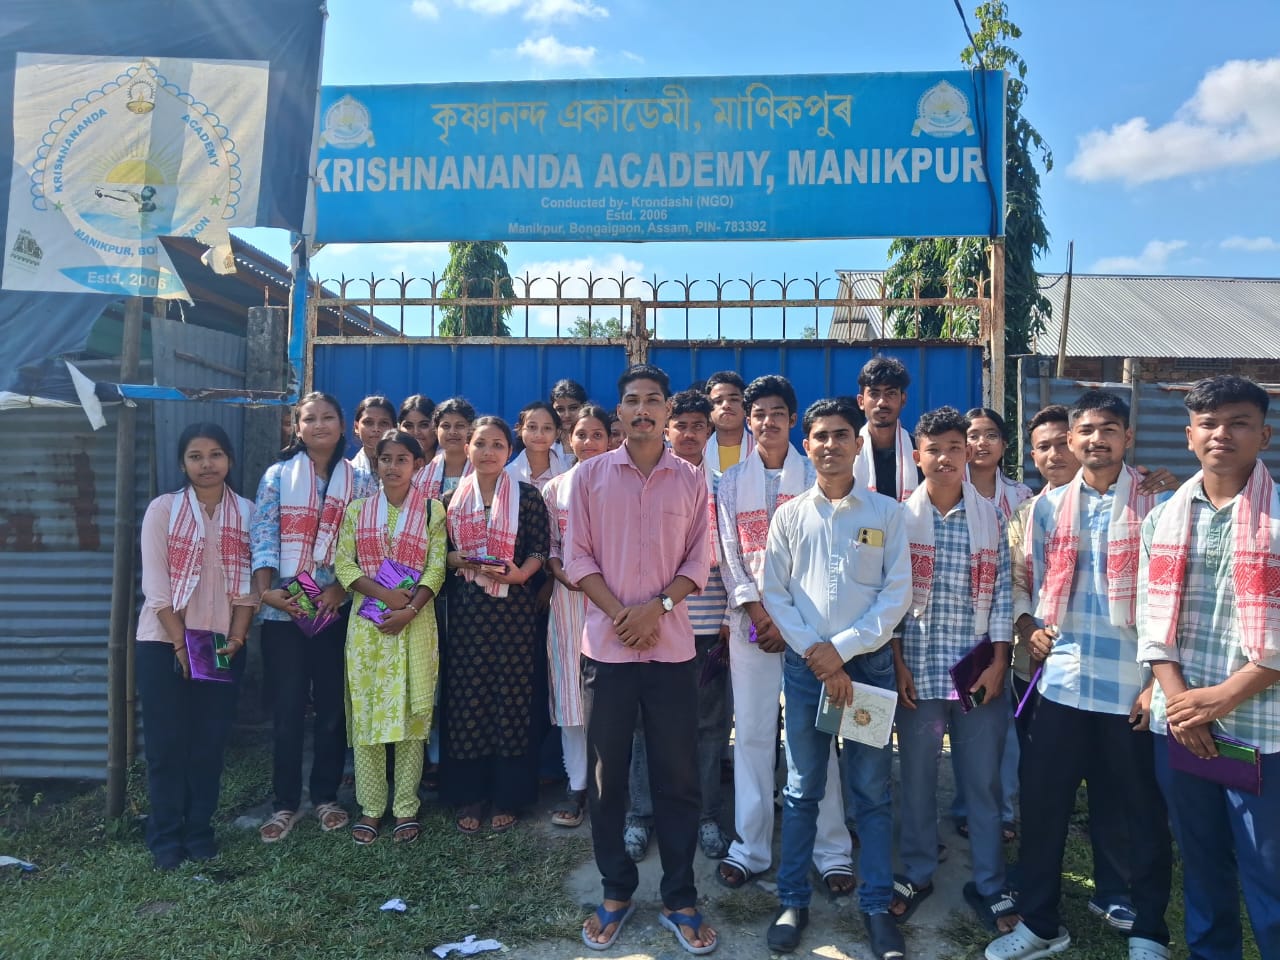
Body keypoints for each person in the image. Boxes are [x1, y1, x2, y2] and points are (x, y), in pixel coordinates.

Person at [987, 390, 1173, 960]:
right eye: (1086, 430)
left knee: (1141, 812)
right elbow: (1022, 580)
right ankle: (1041, 923)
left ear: (1127, 437)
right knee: (1043, 807)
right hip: (1063, 683)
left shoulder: (1159, 504)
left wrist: (1157, 682)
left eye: (1109, 429)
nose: (1097, 440)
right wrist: (1028, 626)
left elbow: (1174, 598)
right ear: (1072, 440)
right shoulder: (1044, 511)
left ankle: (1148, 930)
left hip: (1130, 688)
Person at [566, 363, 716, 954]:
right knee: (608, 779)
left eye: (654, 399)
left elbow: (699, 560)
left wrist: (656, 609)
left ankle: (680, 895)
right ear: (620, 411)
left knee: (678, 777)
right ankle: (616, 890)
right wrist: (622, 615)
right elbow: (577, 558)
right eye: (633, 400)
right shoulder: (589, 476)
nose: (644, 409)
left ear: (668, 409)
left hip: (672, 649)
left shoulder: (692, 479)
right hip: (608, 649)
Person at [763, 397, 913, 958]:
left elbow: (895, 595)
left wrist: (842, 652)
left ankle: (875, 906)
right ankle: (792, 900)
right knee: (803, 788)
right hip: (807, 672)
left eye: (841, 435)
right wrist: (817, 654)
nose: (830, 445)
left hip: (867, 670)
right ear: (807, 446)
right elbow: (775, 592)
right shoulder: (789, 516)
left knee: (870, 792)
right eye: (820, 436)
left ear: (858, 443)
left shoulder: (886, 514)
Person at [1139, 375, 1279, 960]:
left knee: (1269, 872)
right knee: (1201, 863)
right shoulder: (1161, 519)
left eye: (1239, 422)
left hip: (1261, 728)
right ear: (1190, 435)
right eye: (1209, 423)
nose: (1223, 433)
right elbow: (1151, 622)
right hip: (1182, 728)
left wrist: (1225, 696)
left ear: (1264, 435)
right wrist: (1181, 704)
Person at [716, 375, 856, 897]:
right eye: (759, 413)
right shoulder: (730, 483)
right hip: (751, 628)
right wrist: (758, 614)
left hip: (812, 631)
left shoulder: (818, 477)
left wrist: (788, 621)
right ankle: (750, 847)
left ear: (794, 420)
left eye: (778, 412)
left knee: (819, 737)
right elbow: (730, 555)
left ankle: (832, 850)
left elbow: (829, 559)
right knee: (752, 735)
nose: (768, 421)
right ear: (747, 421)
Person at [891, 407, 1016, 934]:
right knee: (917, 779)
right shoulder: (898, 519)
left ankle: (990, 883)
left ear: (967, 453)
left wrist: (1000, 661)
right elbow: (889, 599)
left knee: (982, 783)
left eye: (954, 447)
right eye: (934, 449)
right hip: (918, 669)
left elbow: (1005, 593)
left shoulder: (992, 518)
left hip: (976, 671)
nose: (944, 458)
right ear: (916, 456)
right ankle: (917, 870)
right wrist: (896, 662)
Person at [251, 392, 375, 842]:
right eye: (310, 419)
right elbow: (263, 533)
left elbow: (368, 540)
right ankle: (285, 803)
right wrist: (267, 592)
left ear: (343, 426)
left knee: (331, 707)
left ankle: (325, 796)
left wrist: (342, 588)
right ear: (296, 427)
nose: (319, 425)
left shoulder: (361, 481)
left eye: (327, 417)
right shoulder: (277, 476)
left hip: (336, 607)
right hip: (286, 608)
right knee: (286, 709)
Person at [136, 423, 256, 869]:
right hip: (163, 642)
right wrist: (180, 646)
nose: (207, 464)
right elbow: (157, 589)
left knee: (208, 744)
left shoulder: (247, 512)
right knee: (166, 746)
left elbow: (249, 588)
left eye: (215, 454)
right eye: (196, 456)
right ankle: (165, 838)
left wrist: (238, 639)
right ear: (182, 463)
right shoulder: (163, 510)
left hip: (220, 643)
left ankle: (199, 831)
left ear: (229, 460)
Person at [627, 390, 731, 860]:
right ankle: (640, 815)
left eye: (698, 426)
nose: (689, 434)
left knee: (708, 726)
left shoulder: (725, 486)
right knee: (643, 726)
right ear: (667, 427)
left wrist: (729, 618)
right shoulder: (647, 481)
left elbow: (737, 557)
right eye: (681, 425)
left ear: (710, 432)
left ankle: (705, 816)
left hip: (708, 628)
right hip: (654, 626)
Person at [335, 430, 446, 846]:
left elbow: (437, 567)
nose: (393, 466)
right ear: (375, 463)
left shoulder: (433, 511)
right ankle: (370, 806)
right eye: (386, 459)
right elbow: (344, 565)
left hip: (415, 624)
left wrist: (409, 610)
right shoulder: (357, 511)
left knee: (412, 717)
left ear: (418, 465)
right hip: (368, 627)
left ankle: (405, 807)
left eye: (402, 459)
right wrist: (385, 596)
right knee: (369, 714)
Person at [441, 416, 550, 834]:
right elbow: (438, 556)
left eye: (498, 445)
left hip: (515, 614)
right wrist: (460, 559)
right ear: (467, 447)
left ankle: (508, 795)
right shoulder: (448, 501)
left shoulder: (528, 497)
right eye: (481, 444)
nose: (488, 452)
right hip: (467, 615)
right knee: (467, 699)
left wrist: (522, 575)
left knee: (512, 698)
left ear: (509, 451)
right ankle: (469, 794)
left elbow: (540, 549)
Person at [955, 406, 1031, 844]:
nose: (980, 443)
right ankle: (963, 805)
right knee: (959, 725)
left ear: (1004, 444)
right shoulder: (947, 490)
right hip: (958, 625)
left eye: (989, 435)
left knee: (1000, 726)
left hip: (1004, 625)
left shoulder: (1021, 497)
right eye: (972, 435)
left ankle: (1001, 810)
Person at [543, 404, 613, 828]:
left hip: (611, 601)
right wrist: (560, 572)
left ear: (610, 439)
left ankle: (610, 788)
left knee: (610, 694)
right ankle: (577, 785)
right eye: (581, 435)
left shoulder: (622, 483)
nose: (588, 442)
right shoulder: (555, 489)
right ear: (569, 440)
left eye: (597, 435)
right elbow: (551, 545)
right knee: (569, 692)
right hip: (568, 601)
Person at [852, 357, 921, 501]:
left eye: (891, 393)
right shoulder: (848, 452)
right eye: (874, 394)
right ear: (861, 401)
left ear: (903, 399)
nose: (882, 402)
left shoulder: (920, 453)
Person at [415, 396, 475, 498]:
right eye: (446, 426)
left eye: (460, 426)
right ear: (436, 430)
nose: (452, 432)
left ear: (471, 430)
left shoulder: (483, 472)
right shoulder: (421, 476)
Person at [507, 401, 566, 489]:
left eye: (547, 428)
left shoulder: (568, 472)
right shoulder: (507, 475)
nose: (539, 435)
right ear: (519, 430)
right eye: (532, 427)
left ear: (557, 433)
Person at [704, 370, 755, 472]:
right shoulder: (697, 452)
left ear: (746, 406)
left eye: (734, 399)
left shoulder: (764, 451)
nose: (726, 405)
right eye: (718, 401)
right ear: (709, 411)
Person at [350, 395, 397, 474]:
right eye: (368, 422)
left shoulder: (408, 469)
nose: (376, 429)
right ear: (356, 427)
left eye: (383, 423)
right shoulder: (347, 472)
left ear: (394, 428)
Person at [550, 378, 588, 457]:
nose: (567, 415)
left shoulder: (593, 440)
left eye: (573, 408)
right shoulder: (546, 442)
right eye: (560, 409)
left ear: (584, 407)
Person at [398, 394, 437, 460]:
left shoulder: (450, 463)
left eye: (424, 425)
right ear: (398, 428)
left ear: (437, 427)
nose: (416, 432)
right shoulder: (390, 463)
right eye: (408, 426)